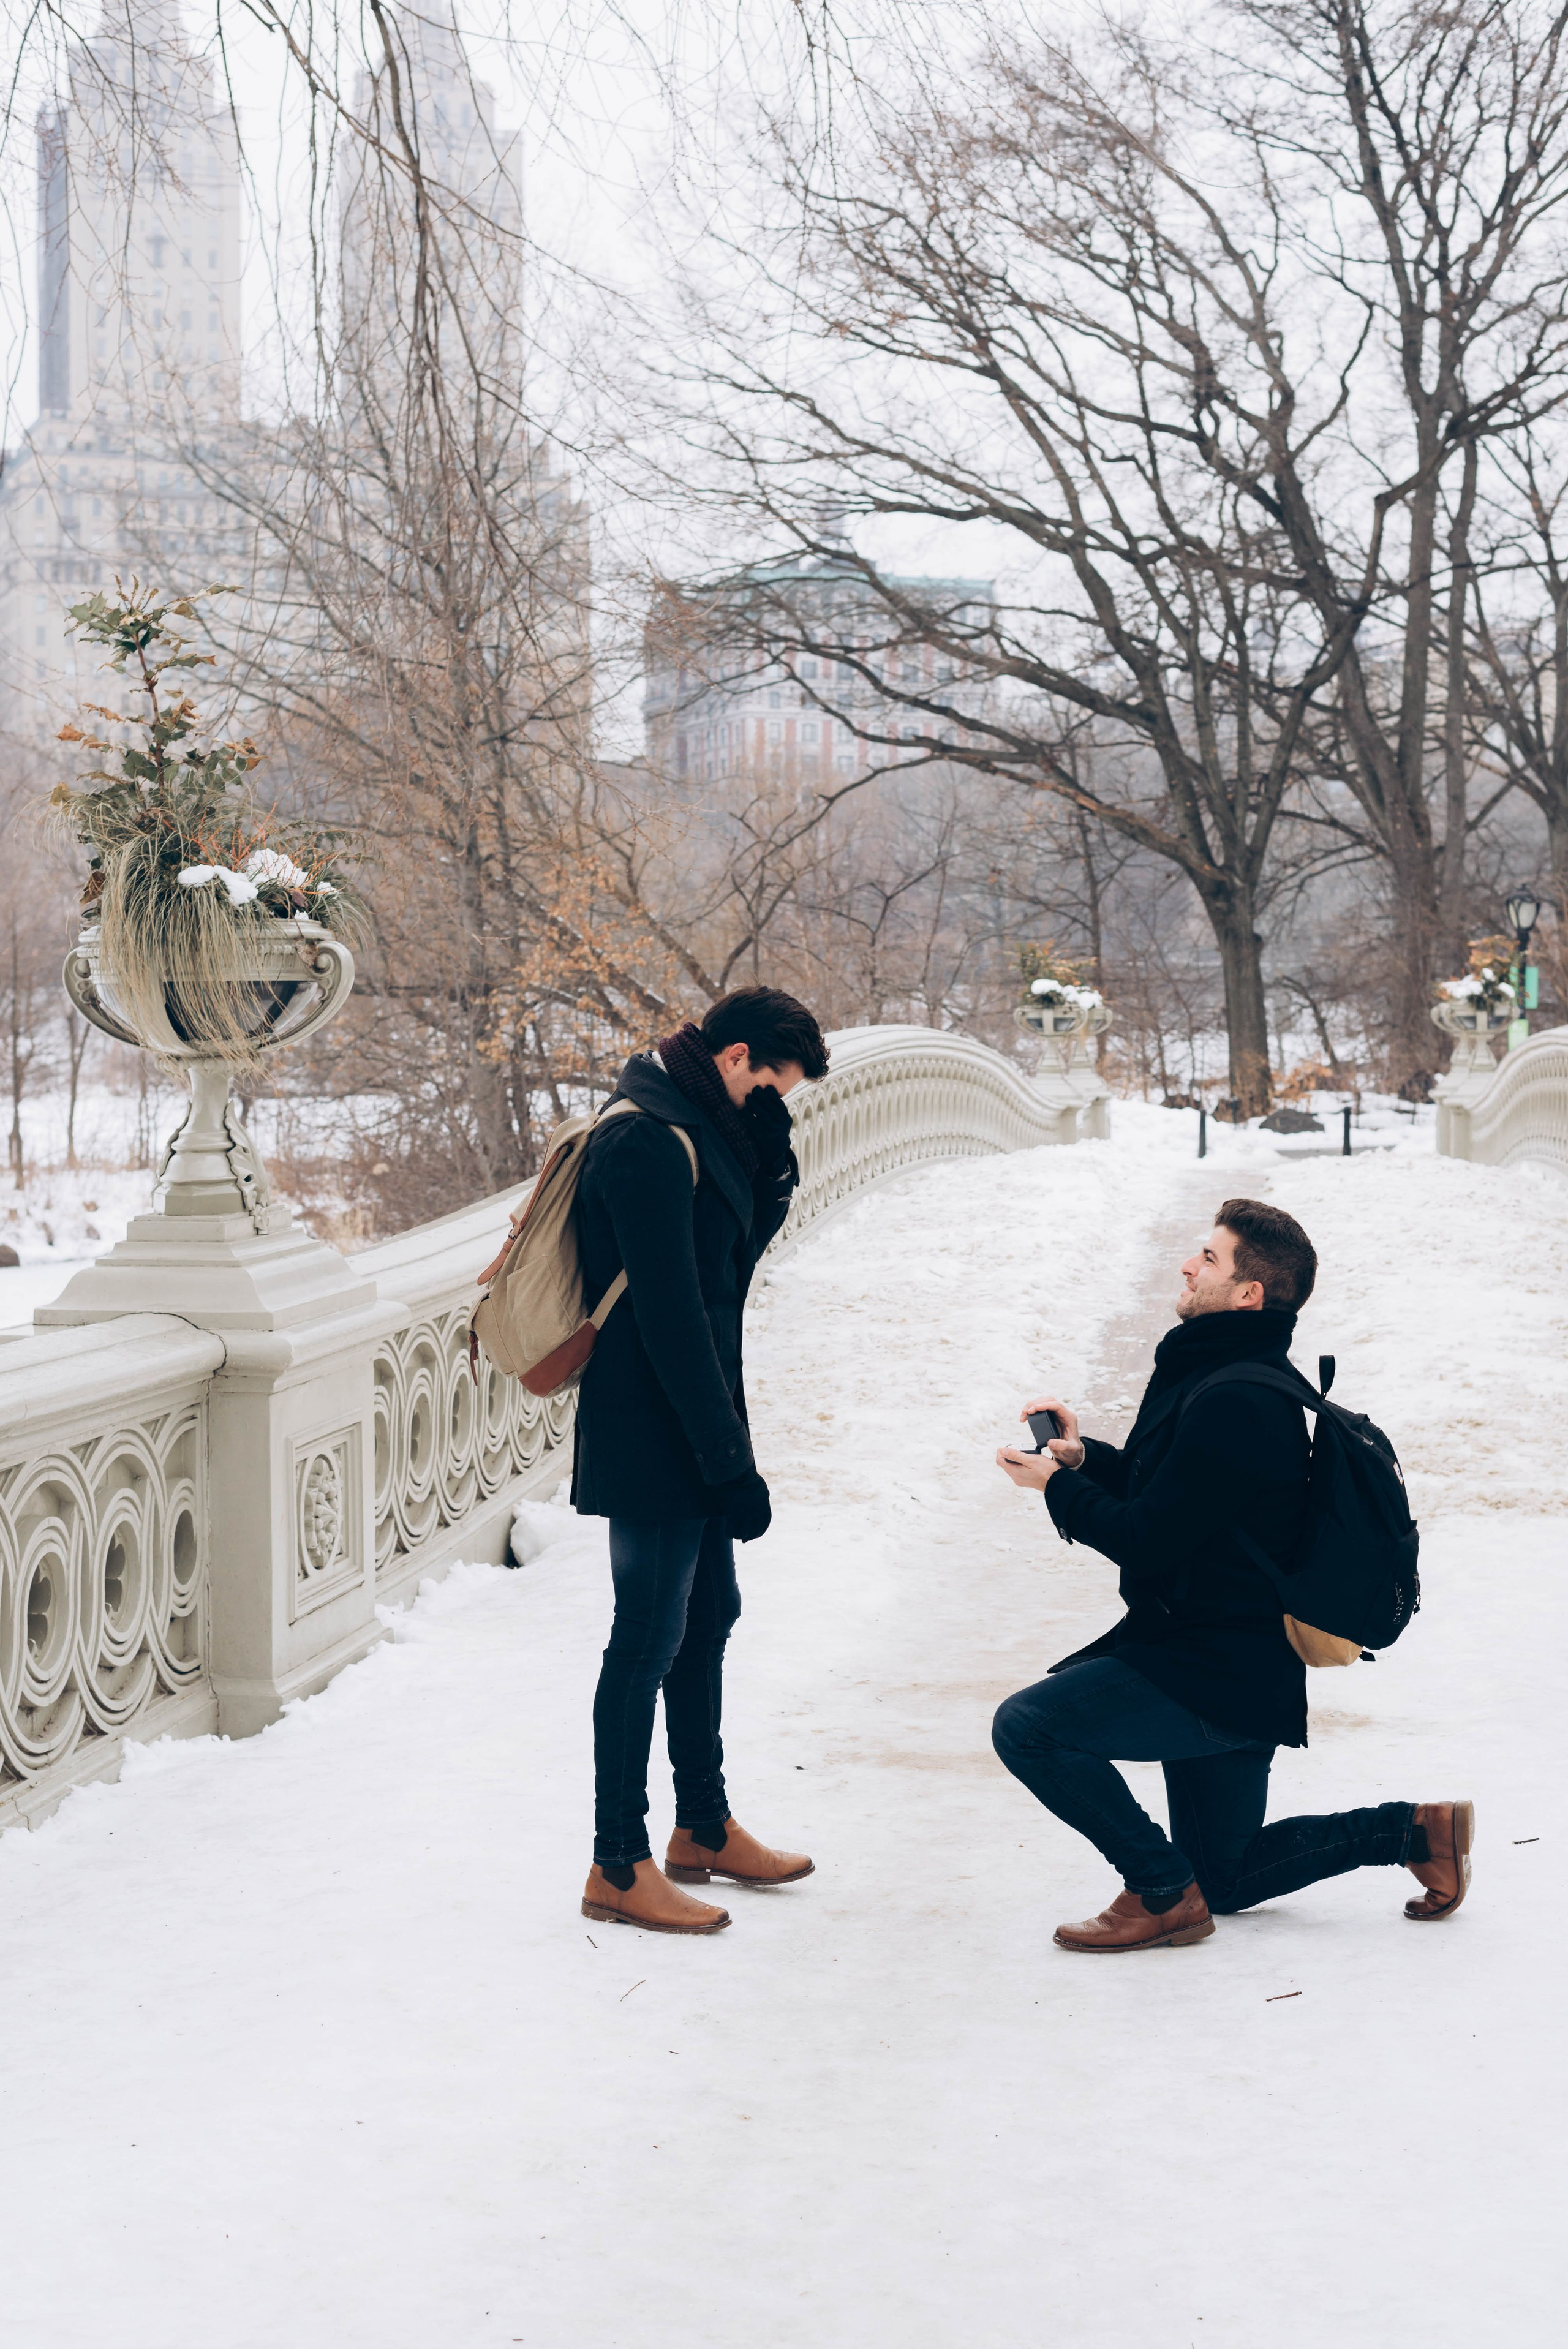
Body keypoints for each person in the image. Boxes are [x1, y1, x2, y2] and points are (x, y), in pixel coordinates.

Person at [991, 1197, 1472, 1953]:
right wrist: (1086, 1460)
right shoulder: (1227, 1374)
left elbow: (1147, 1540)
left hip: (1209, 1668)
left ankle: (1158, 1891)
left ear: (1248, 1294)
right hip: (1239, 1664)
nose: (1188, 1264)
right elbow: (1182, 1497)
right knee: (1229, 1874)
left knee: (1029, 1728)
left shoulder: (1238, 1397)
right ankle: (1414, 1832)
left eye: (1208, 1258)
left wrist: (1054, 1490)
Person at [573, 986, 831, 1936]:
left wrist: (769, 1168)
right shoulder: (643, 1136)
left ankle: (703, 1824)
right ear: (733, 1056)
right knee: (643, 1635)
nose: (777, 1097)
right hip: (651, 1429)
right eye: (773, 1081)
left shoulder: (706, 1124)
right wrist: (727, 1461)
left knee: (708, 1614)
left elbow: (727, 1274)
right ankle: (616, 1859)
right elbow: (673, 1316)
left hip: (699, 1417)